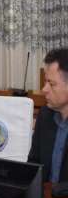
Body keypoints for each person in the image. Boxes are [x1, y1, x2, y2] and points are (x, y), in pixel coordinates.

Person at [29, 48, 68, 183]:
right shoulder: (45, 115)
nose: (44, 89)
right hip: (44, 194)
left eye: (51, 84)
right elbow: (33, 164)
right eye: (45, 82)